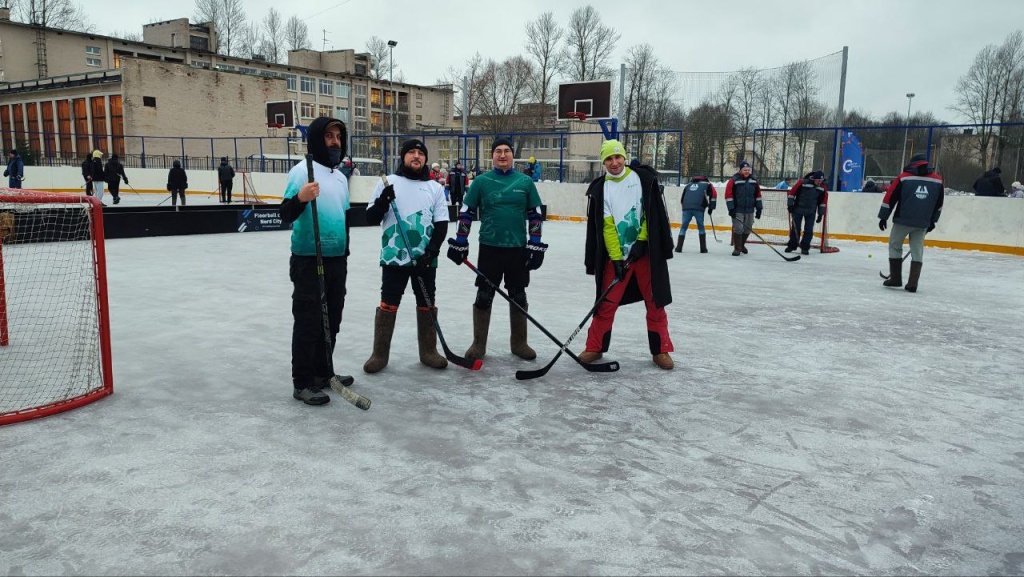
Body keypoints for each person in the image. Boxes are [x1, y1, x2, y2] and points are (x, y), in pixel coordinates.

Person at [446, 137, 546, 362]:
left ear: (512, 155)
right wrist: (461, 240)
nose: (503, 155)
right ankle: (478, 344)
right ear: (492, 156)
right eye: (498, 151)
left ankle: (520, 343)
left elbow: (535, 214)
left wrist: (536, 243)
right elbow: (466, 212)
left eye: (507, 151)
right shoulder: (482, 182)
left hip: (517, 249)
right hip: (490, 248)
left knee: (518, 295)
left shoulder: (525, 182)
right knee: (484, 295)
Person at [579, 139, 674, 370]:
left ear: (624, 157)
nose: (614, 162)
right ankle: (595, 346)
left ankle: (661, 350)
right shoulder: (602, 188)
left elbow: (647, 216)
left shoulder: (642, 179)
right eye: (608, 159)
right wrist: (616, 258)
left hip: (645, 255)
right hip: (618, 257)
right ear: (603, 162)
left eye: (617, 157)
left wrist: (641, 241)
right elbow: (608, 227)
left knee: (655, 301)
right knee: (606, 302)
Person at [278, 116, 352, 405]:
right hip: (309, 258)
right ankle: (303, 381)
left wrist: (345, 253)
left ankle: (323, 372)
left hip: (336, 259)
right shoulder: (301, 172)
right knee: (309, 320)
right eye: (329, 136)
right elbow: (285, 213)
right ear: (318, 139)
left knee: (332, 318)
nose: (334, 142)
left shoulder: (341, 177)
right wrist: (301, 197)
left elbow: (343, 217)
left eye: (338, 137)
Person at [363, 139, 449, 373]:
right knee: (388, 302)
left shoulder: (435, 188)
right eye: (411, 152)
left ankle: (428, 352)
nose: (416, 156)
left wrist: (430, 253)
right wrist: (382, 202)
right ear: (403, 157)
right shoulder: (388, 183)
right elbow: (370, 218)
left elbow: (441, 225)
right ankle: (379, 354)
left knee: (427, 302)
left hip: (425, 259)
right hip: (394, 255)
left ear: (425, 159)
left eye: (420, 153)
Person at [878, 153, 944, 293]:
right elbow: (939, 204)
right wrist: (933, 221)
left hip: (903, 219)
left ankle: (895, 279)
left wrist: (883, 216)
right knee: (917, 250)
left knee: (895, 246)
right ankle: (913, 283)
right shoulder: (938, 180)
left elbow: (890, 197)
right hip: (923, 222)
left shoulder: (904, 177)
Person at [725, 161, 763, 256]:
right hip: (738, 209)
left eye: (748, 170)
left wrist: (759, 209)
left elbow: (758, 195)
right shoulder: (734, 180)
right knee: (738, 228)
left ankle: (741, 245)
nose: (747, 171)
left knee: (748, 228)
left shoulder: (754, 181)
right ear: (741, 170)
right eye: (745, 170)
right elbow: (728, 195)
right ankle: (737, 248)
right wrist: (731, 209)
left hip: (750, 209)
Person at [785, 170, 828, 255]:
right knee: (796, 229)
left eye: (821, 181)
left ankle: (805, 247)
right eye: (818, 181)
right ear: (814, 179)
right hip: (797, 209)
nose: (819, 183)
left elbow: (823, 201)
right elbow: (792, 193)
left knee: (809, 230)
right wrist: (790, 205)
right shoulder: (802, 182)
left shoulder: (823, 188)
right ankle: (792, 246)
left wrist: (820, 214)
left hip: (811, 211)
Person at [676, 175, 717, 253]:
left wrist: (685, 207)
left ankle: (679, 248)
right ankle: (703, 248)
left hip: (686, 207)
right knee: (701, 226)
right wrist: (711, 208)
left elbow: (682, 198)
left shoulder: (688, 185)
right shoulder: (707, 184)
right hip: (699, 208)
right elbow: (714, 195)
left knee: (683, 227)